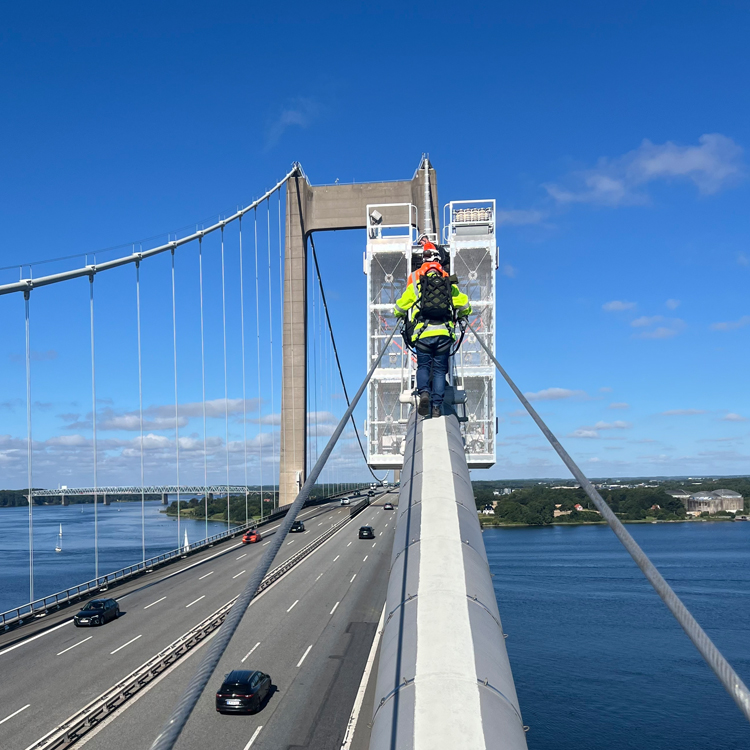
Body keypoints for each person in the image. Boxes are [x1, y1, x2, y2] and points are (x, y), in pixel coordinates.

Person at [393, 236, 471, 418]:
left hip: (423, 333)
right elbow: (465, 305)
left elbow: (400, 306)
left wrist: (399, 314)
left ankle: (424, 394)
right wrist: (463, 315)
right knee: (439, 370)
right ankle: (436, 406)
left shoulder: (418, 283)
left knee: (423, 367)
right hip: (444, 333)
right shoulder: (448, 283)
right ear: (439, 262)